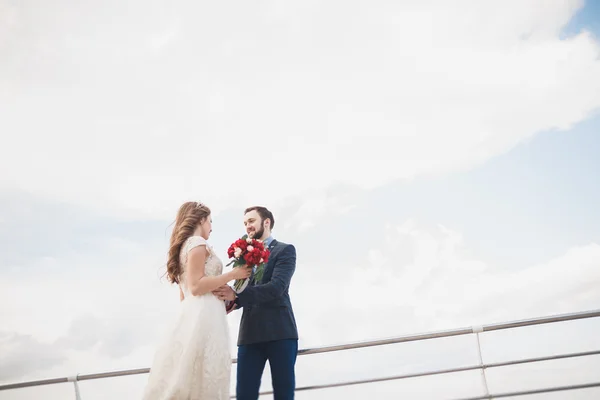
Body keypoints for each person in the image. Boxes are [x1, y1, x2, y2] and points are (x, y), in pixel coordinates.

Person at [141, 201, 251, 400]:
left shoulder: (185, 246)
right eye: (210, 221)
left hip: (193, 313)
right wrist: (232, 274)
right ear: (200, 220)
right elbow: (196, 286)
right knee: (204, 372)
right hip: (204, 317)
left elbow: (185, 294)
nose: (211, 227)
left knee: (189, 373)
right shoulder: (198, 243)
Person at [213, 206, 298, 400]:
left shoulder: (285, 251)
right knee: (244, 395)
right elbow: (238, 291)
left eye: (251, 221)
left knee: (283, 395)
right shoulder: (243, 257)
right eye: (245, 223)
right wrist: (224, 299)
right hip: (250, 336)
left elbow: (277, 288)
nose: (247, 227)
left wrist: (237, 297)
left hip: (280, 333)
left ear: (266, 222)